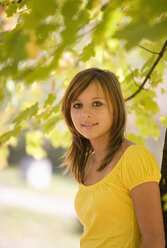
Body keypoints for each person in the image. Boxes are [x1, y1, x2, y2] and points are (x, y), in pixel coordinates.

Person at [61, 68, 165, 248]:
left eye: (97, 104)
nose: (86, 113)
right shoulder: (86, 164)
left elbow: (154, 239)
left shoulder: (134, 158)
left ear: (115, 108)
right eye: (77, 105)